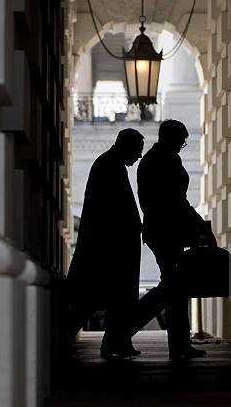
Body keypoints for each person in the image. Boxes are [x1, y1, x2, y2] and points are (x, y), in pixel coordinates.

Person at [135, 119, 211, 359]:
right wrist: (197, 222)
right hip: (165, 232)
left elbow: (177, 200)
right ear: (169, 137)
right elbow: (174, 201)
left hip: (165, 231)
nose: (182, 145)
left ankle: (179, 344)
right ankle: (126, 328)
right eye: (181, 140)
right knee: (173, 287)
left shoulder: (161, 158)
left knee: (175, 286)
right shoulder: (161, 160)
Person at [66, 128, 144, 359]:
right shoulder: (109, 166)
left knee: (105, 299)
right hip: (110, 249)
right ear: (126, 146)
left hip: (111, 247)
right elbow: (113, 211)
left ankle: (116, 343)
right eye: (137, 151)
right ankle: (111, 343)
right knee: (100, 299)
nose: (139, 157)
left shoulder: (109, 164)